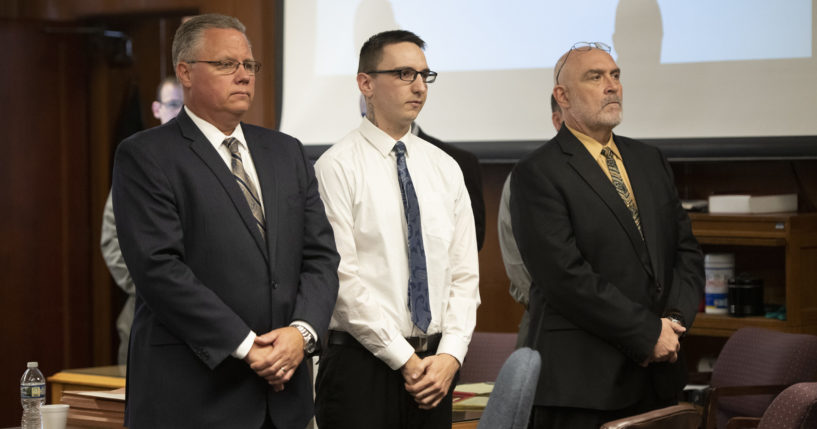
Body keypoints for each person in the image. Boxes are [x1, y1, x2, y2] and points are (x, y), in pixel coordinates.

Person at [111, 14, 339, 429]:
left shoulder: (286, 152)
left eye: (249, 66)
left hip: (284, 397)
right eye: (225, 64)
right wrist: (248, 346)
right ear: (185, 72)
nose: (243, 75)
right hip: (194, 395)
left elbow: (320, 257)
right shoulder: (146, 155)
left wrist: (301, 334)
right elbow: (158, 268)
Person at [510, 42, 704, 428]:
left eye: (615, 75)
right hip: (584, 386)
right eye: (595, 77)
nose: (611, 85)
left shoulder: (649, 160)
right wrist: (647, 333)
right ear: (561, 96)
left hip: (660, 375)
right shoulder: (538, 172)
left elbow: (686, 252)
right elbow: (565, 277)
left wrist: (673, 322)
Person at [313, 30, 480, 429]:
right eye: (405, 74)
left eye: (425, 75)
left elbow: (464, 275)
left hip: (434, 372)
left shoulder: (445, 167)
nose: (419, 86)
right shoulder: (335, 167)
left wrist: (451, 356)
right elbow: (342, 279)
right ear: (366, 83)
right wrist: (403, 359)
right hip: (361, 368)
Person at [100, 75, 183, 366]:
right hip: (145, 308)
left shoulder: (202, 157)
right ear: (157, 109)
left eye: (185, 104)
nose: (180, 111)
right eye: (173, 104)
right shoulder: (139, 157)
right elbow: (112, 238)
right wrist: (152, 286)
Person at [498, 94, 561, 348]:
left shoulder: (630, 167)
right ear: (558, 119)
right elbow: (516, 261)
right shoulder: (529, 174)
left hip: (621, 330)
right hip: (546, 323)